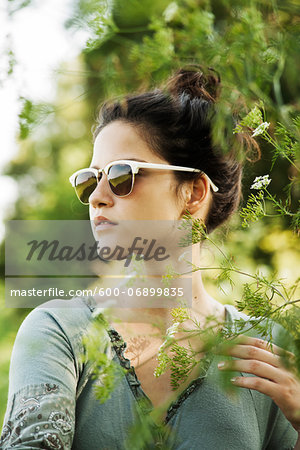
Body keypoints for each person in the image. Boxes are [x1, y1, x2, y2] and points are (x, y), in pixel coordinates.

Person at [1, 67, 299, 449]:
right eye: (90, 179)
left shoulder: (268, 349)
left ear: (193, 192)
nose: (97, 196)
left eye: (122, 175)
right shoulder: (59, 332)